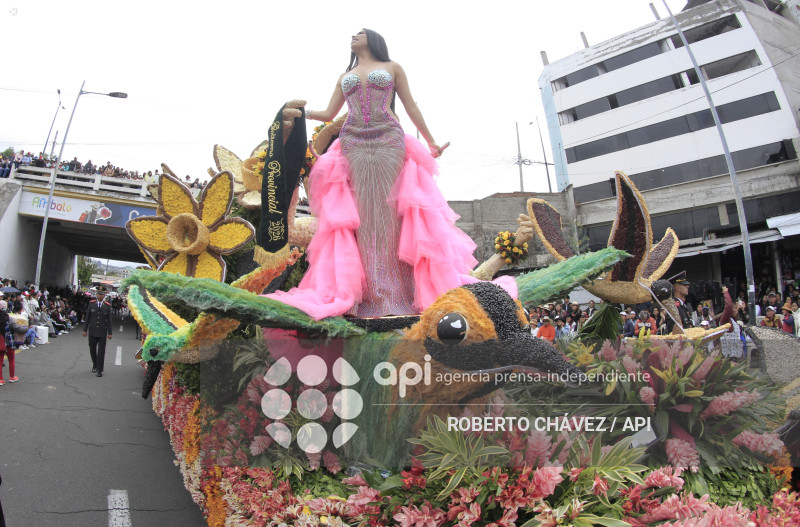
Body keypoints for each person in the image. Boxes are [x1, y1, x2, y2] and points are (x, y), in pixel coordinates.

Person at [267, 29, 515, 319]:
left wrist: (431, 140)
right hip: (353, 142)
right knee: (364, 216)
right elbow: (329, 113)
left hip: (388, 139)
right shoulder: (344, 74)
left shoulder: (393, 67)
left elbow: (410, 105)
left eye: (359, 33)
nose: (353, 36)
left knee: (390, 213)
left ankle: (402, 292)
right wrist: (300, 112)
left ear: (372, 39)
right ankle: (368, 293)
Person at [83, 286, 113, 377]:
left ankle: (100, 370)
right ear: (96, 294)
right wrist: (84, 330)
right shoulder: (92, 304)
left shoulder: (107, 306)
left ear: (104, 296)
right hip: (92, 330)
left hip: (102, 331)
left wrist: (110, 332)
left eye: (102, 294)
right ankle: (95, 364)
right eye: (99, 294)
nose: (100, 296)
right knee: (92, 349)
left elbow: (109, 320)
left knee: (101, 351)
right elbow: (87, 317)